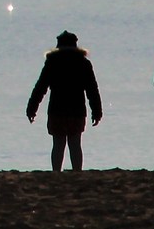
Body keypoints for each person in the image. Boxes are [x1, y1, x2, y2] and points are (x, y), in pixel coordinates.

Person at [26, 30, 103, 171]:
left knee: (58, 144)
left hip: (57, 110)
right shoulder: (84, 63)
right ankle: (77, 173)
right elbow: (92, 90)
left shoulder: (52, 63)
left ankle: (56, 172)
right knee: (75, 144)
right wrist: (97, 112)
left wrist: (31, 108)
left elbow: (40, 87)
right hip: (77, 110)